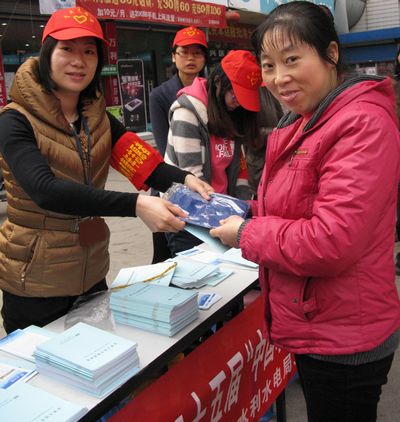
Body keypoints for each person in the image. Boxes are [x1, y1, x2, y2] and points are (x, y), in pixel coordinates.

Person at [210, 2, 400, 421]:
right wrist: (243, 209)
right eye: (269, 65)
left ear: (331, 53)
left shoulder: (360, 123)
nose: (279, 78)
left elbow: (331, 240)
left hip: (345, 336)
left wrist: (245, 233)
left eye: (292, 59)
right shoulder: (307, 119)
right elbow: (298, 204)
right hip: (319, 321)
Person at [0, 7, 213, 334]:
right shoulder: (14, 120)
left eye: (89, 51)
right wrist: (136, 204)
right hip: (35, 279)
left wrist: (185, 179)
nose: (78, 61)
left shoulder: (95, 117)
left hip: (92, 267)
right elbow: (45, 190)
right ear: (46, 53)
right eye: (67, 49)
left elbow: (143, 163)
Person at [164, 50, 262, 255]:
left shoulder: (232, 112)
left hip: (222, 213)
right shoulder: (187, 113)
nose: (239, 102)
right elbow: (192, 178)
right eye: (236, 94)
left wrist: (241, 208)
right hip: (189, 214)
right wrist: (224, 216)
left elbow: (240, 168)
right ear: (218, 83)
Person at [149, 26, 208, 263]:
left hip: (205, 180)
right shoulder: (160, 95)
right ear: (174, 56)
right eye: (184, 52)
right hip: (170, 180)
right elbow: (163, 142)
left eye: (197, 53)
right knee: (166, 255)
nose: (190, 58)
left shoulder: (211, 91)